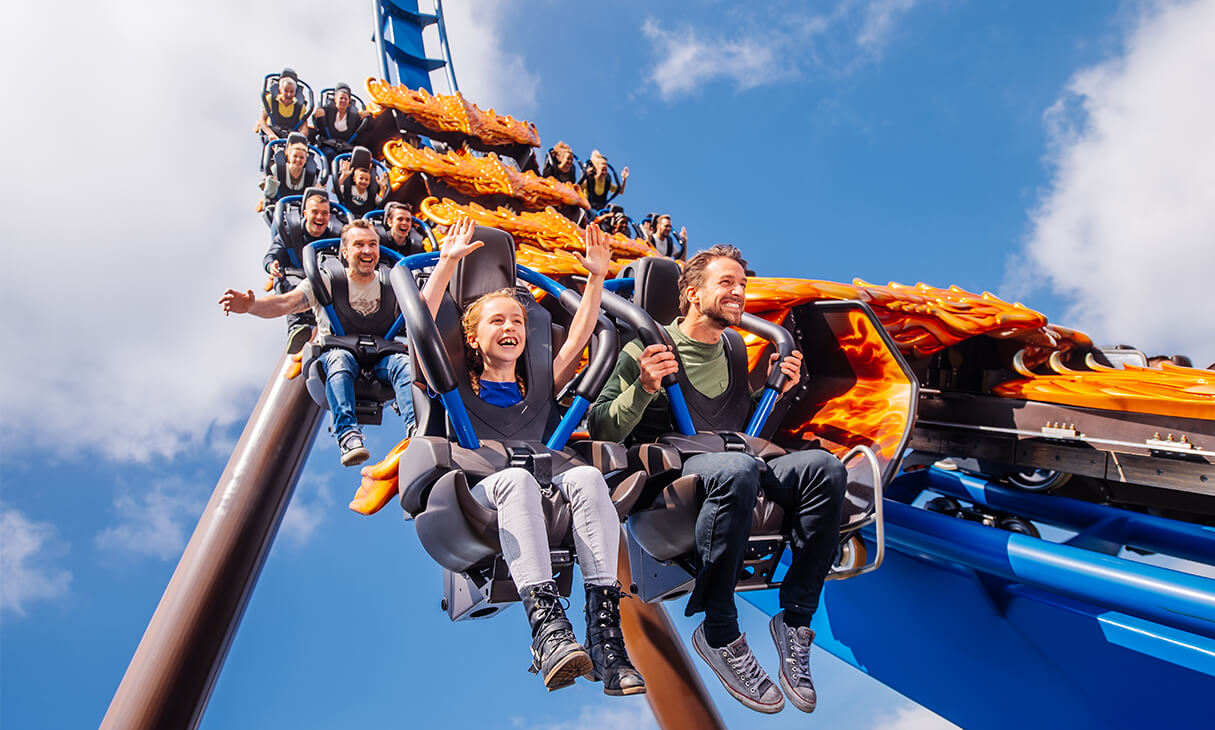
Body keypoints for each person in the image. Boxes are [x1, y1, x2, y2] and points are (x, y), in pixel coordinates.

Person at [588, 244, 846, 715]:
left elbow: (738, 429)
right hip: (666, 485)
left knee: (825, 468)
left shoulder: (734, 349)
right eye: (726, 283)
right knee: (737, 469)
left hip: (728, 466)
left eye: (742, 285)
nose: (738, 293)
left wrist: (776, 393)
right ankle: (719, 631)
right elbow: (602, 429)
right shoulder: (643, 347)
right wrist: (643, 387)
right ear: (692, 293)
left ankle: (795, 620)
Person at [418, 218, 645, 696]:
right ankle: (548, 630)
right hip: (478, 491)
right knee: (516, 480)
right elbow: (423, 331)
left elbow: (580, 336)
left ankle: (605, 634)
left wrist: (596, 278)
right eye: (497, 321)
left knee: (587, 477)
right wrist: (446, 264)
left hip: (543, 486)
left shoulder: (539, 384)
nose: (510, 328)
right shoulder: (451, 381)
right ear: (473, 338)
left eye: (518, 321)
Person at [222, 219, 415, 466]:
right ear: (345, 251)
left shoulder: (391, 283)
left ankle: (416, 429)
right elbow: (285, 303)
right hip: (338, 354)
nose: (367, 251)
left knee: (404, 364)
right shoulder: (327, 280)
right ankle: (347, 435)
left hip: (381, 357)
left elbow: (424, 307)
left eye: (372, 244)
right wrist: (251, 306)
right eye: (359, 245)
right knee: (340, 359)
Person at [263, 187, 346, 352]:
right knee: (288, 281)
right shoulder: (291, 231)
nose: (320, 217)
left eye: (324, 213)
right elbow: (272, 254)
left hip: (323, 279)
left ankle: (337, 331)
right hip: (296, 275)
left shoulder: (334, 235)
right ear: (305, 214)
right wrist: (271, 265)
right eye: (315, 212)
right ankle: (296, 329)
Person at [310, 82, 368, 160]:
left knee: (351, 158)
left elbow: (365, 128)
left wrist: (368, 115)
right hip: (328, 145)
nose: (343, 101)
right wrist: (316, 116)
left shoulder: (355, 116)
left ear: (349, 102)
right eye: (341, 98)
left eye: (345, 99)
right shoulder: (326, 110)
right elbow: (317, 126)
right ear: (335, 99)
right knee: (330, 154)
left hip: (346, 147)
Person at [260, 133, 318, 205]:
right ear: (288, 157)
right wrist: (272, 185)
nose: (298, 160)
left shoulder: (311, 176)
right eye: (295, 156)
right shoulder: (276, 170)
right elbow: (269, 196)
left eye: (301, 157)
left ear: (306, 160)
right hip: (277, 206)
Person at [256, 67, 310, 141]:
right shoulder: (270, 99)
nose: (289, 94)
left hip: (290, 136)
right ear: (280, 90)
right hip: (272, 132)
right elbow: (262, 120)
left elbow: (305, 130)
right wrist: (271, 134)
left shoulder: (300, 106)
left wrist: (296, 139)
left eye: (291, 92)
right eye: (286, 91)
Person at [336, 146, 385, 217]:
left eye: (366, 180)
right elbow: (335, 190)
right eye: (361, 178)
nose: (363, 181)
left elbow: (380, 202)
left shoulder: (370, 193)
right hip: (346, 214)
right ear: (354, 179)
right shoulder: (349, 188)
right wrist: (343, 176)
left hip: (364, 217)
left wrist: (382, 188)